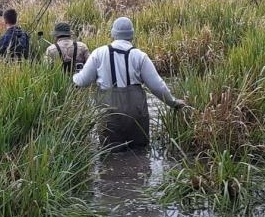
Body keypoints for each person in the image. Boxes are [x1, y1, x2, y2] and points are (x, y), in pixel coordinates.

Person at [73, 16, 185, 149]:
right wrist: (173, 103)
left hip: (108, 114)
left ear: (113, 34)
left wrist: (73, 76)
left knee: (110, 154)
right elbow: (157, 86)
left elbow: (82, 81)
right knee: (140, 153)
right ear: (132, 35)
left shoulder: (98, 53)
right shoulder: (140, 56)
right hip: (136, 114)